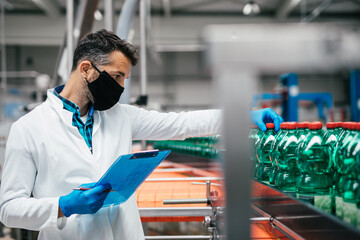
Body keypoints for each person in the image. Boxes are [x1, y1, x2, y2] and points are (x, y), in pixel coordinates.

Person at [0, 29, 282, 240]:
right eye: (117, 76)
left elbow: (180, 124)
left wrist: (242, 116)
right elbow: (9, 208)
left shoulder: (119, 116)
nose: (121, 86)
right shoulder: (29, 129)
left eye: (125, 78)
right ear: (86, 69)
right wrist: (63, 206)